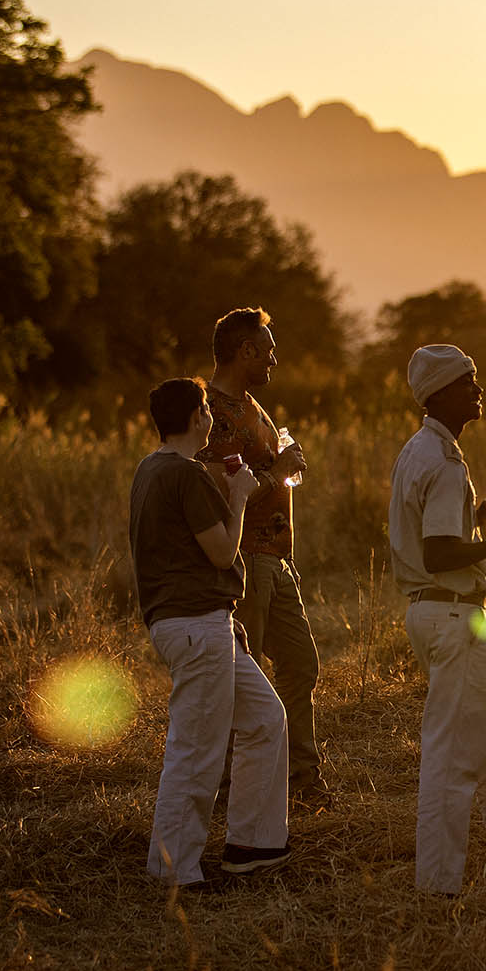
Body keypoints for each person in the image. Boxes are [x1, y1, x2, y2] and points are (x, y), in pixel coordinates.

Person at [389, 344, 486, 895]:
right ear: (440, 394)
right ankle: (438, 885)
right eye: (468, 380)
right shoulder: (444, 461)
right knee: (452, 757)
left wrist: (481, 521)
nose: (479, 389)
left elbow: (444, 534)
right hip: (452, 615)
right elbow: (438, 554)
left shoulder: (423, 449)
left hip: (448, 616)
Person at [128, 377, 290, 885]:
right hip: (196, 625)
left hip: (198, 622)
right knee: (196, 750)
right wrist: (240, 496)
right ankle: (172, 871)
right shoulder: (186, 474)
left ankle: (252, 844)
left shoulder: (148, 470)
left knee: (265, 717)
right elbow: (222, 553)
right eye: (206, 410)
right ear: (198, 417)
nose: (212, 419)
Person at [195, 307, 325, 805]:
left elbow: (261, 475)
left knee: (300, 665)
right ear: (245, 351)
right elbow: (222, 496)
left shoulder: (252, 405)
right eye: (267, 350)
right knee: (239, 679)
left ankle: (301, 780)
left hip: (276, 557)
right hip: (243, 562)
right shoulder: (210, 414)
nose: (274, 359)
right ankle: (232, 788)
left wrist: (282, 465)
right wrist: (279, 470)